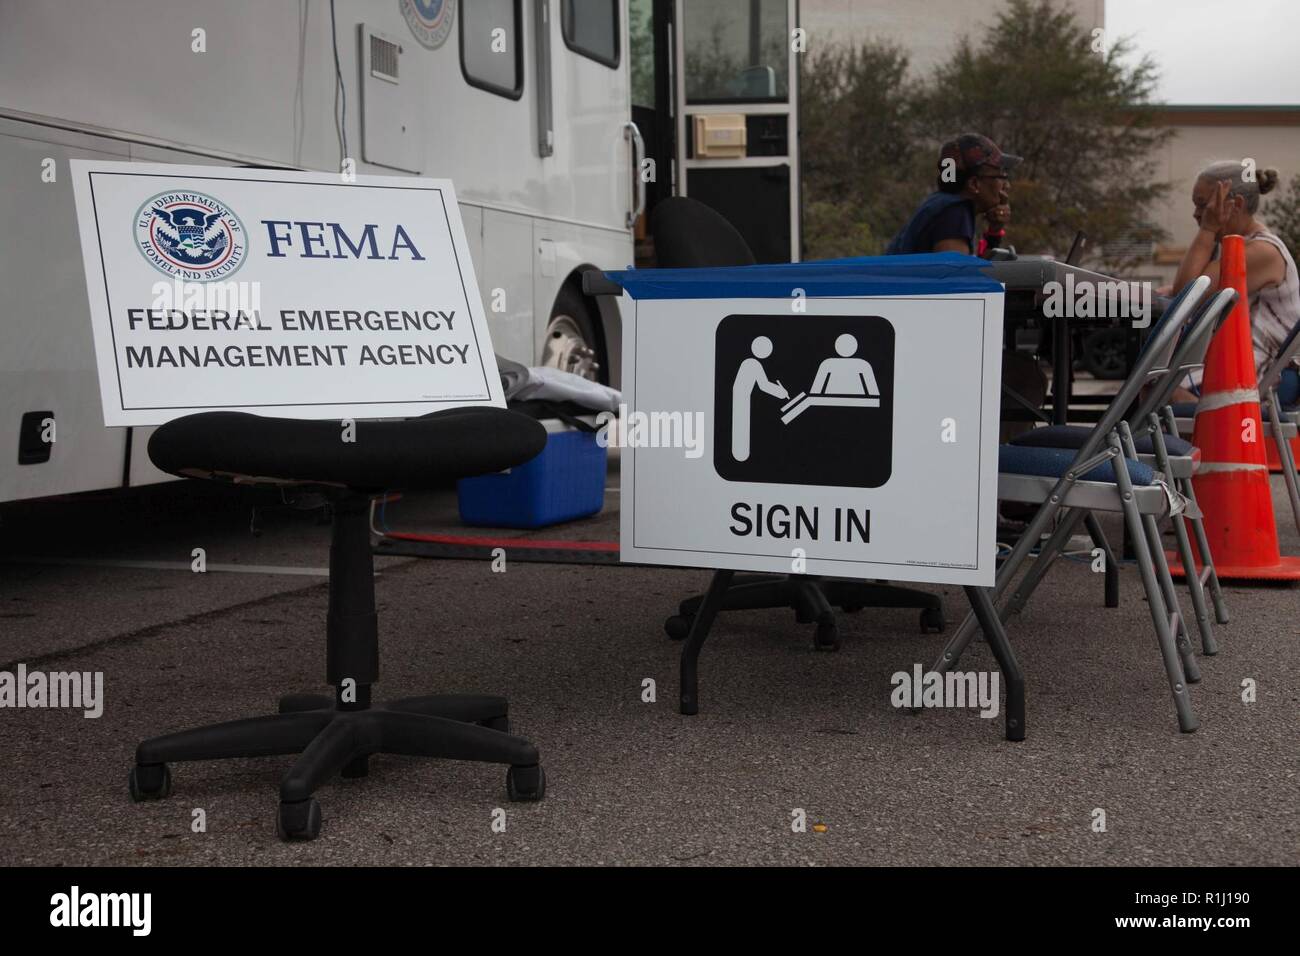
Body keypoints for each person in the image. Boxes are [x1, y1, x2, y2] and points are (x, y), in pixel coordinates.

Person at [1171, 160, 1300, 406]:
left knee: (1161, 390)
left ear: (1236, 205)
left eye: (1203, 205)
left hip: (1266, 378)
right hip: (1251, 368)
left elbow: (1184, 297)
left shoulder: (1260, 251)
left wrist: (1208, 229)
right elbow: (1192, 289)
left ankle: (1210, 443)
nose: (1197, 214)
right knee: (1157, 385)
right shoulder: (1240, 245)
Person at [885, 133, 1019, 257]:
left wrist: (994, 232)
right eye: (1002, 177)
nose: (1007, 185)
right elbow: (955, 278)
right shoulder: (954, 213)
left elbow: (974, 272)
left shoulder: (941, 204)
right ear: (974, 184)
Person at [731, 336, 788, 461]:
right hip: (742, 400)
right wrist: (781, 393)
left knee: (741, 431)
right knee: (740, 434)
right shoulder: (752, 363)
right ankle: (740, 455)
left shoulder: (749, 362)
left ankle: (740, 455)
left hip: (742, 399)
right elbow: (764, 386)